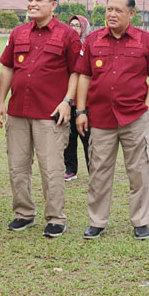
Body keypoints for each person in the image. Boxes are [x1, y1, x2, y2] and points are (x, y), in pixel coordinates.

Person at [75, 0, 149, 240]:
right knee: (99, 172)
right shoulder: (93, 40)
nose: (112, 14)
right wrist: (81, 111)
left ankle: (140, 221)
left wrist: (147, 108)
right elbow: (84, 76)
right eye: (109, 9)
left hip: (134, 118)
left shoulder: (145, 40)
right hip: (100, 118)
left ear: (131, 13)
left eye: (118, 10)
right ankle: (97, 221)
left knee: (139, 172)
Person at [0, 0, 81, 238]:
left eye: (38, 0)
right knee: (17, 166)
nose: (32, 4)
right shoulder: (18, 32)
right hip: (18, 111)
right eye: (30, 0)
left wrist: (67, 101)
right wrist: (0, 102)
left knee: (51, 168)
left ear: (53, 5)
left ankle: (55, 218)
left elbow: (77, 71)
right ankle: (23, 213)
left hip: (50, 113)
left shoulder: (68, 35)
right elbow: (8, 68)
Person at [64, 15, 91, 181]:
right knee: (69, 136)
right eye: (71, 25)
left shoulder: (89, 46)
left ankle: (93, 170)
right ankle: (70, 169)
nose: (74, 28)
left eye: (77, 25)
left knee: (87, 137)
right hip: (67, 98)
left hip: (85, 100)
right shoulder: (65, 46)